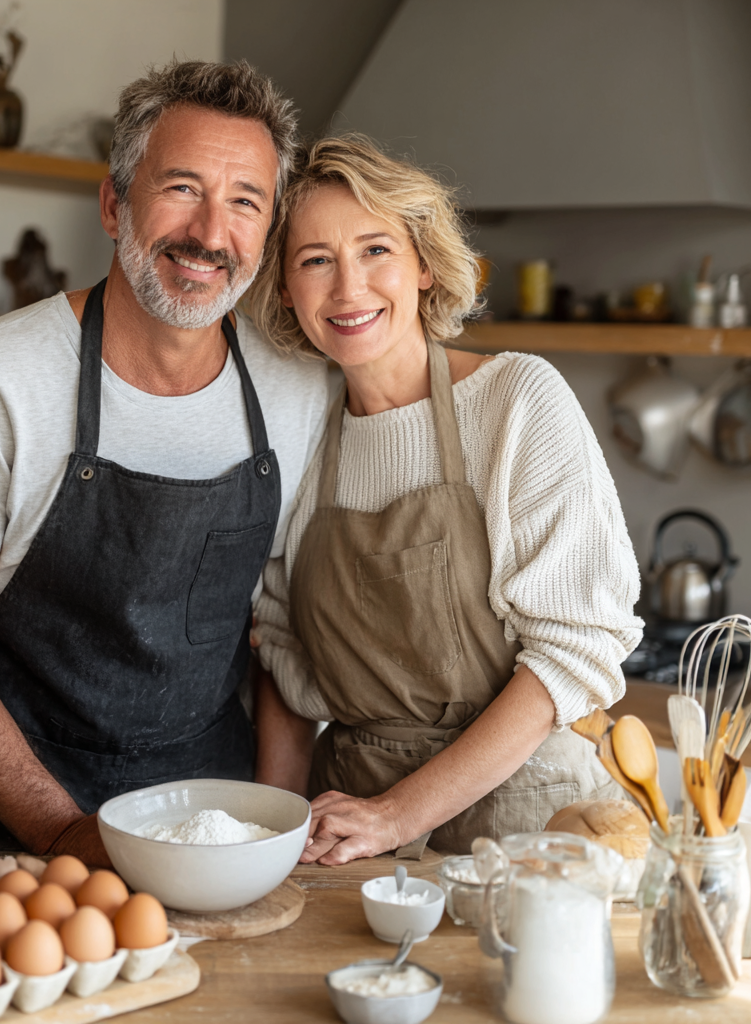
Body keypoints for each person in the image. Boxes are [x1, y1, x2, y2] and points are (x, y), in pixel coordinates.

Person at [0, 61, 332, 863]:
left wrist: (269, 829)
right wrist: (63, 832)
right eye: (181, 188)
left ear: (267, 235)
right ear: (113, 203)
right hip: (10, 836)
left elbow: (284, 638)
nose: (209, 233)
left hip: (212, 827)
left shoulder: (298, 388)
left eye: (245, 202)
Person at [249, 136, 643, 864]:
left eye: (376, 250)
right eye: (314, 260)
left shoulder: (517, 401)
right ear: (282, 287)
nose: (348, 289)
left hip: (529, 822)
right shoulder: (297, 434)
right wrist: (273, 836)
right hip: (349, 827)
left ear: (424, 264)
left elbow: (571, 655)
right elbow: (276, 646)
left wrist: (397, 816)